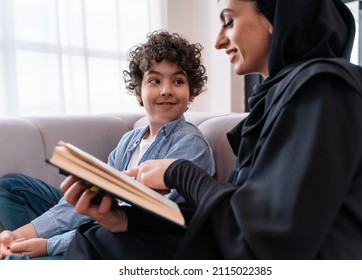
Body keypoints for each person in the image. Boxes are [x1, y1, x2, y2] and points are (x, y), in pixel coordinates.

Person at [62, 0, 362, 259]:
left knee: (98, 249)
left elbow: (271, 234)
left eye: (229, 21)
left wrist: (179, 173)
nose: (219, 41)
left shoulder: (325, 89)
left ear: (277, 17)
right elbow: (234, 213)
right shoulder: (280, 99)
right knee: (98, 237)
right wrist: (127, 218)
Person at [0, 30, 215, 259]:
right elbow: (89, 203)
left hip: (129, 239)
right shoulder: (129, 141)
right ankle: (22, 250)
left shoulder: (190, 143)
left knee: (93, 235)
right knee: (12, 186)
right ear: (138, 92)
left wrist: (49, 245)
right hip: (99, 224)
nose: (166, 90)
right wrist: (16, 235)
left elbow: (138, 222)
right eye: (154, 80)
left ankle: (40, 256)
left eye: (178, 81)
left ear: (191, 93)